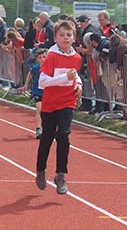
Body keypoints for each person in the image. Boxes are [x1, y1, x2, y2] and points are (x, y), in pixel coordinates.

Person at [35, 20, 83, 195]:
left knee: (63, 135)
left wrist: (78, 84)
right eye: (61, 35)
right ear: (55, 38)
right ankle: (40, 170)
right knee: (47, 137)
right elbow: (42, 82)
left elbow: (75, 75)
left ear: (74, 37)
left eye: (68, 35)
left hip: (68, 101)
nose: (65, 38)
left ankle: (60, 174)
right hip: (50, 103)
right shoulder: (51, 57)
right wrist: (65, 79)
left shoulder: (76, 57)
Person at [22, 49, 47, 139]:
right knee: (40, 109)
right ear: (37, 59)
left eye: (44, 57)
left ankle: (47, 129)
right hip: (37, 91)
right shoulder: (36, 68)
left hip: (48, 92)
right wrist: (25, 85)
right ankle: (38, 129)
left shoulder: (50, 67)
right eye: (40, 57)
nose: (43, 59)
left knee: (47, 111)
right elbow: (30, 74)